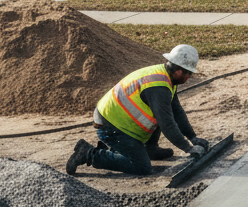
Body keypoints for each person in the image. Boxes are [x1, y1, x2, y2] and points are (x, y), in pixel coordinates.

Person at [66, 45, 209, 176]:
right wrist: (188, 148)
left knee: (162, 111)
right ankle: (89, 153)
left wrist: (192, 137)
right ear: (178, 72)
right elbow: (167, 124)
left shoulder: (166, 78)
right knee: (141, 167)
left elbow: (176, 111)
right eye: (188, 74)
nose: (189, 77)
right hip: (110, 126)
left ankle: (149, 148)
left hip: (117, 120)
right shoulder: (159, 87)